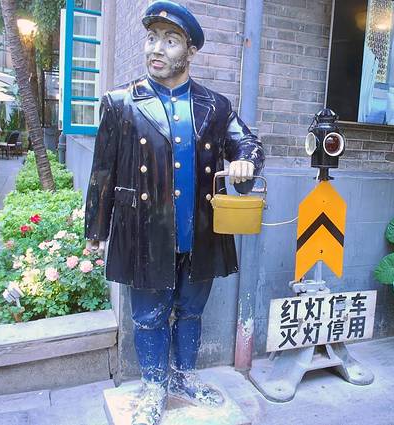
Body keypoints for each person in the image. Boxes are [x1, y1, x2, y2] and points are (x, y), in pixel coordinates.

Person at [83, 2, 264, 424]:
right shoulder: (121, 102)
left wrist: (246, 162)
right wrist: (96, 231)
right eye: (152, 38)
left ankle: (183, 377)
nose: (156, 48)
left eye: (170, 40)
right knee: (148, 317)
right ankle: (153, 386)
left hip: (200, 230)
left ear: (191, 51)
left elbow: (248, 143)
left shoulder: (215, 106)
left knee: (191, 310)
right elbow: (102, 172)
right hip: (143, 231)